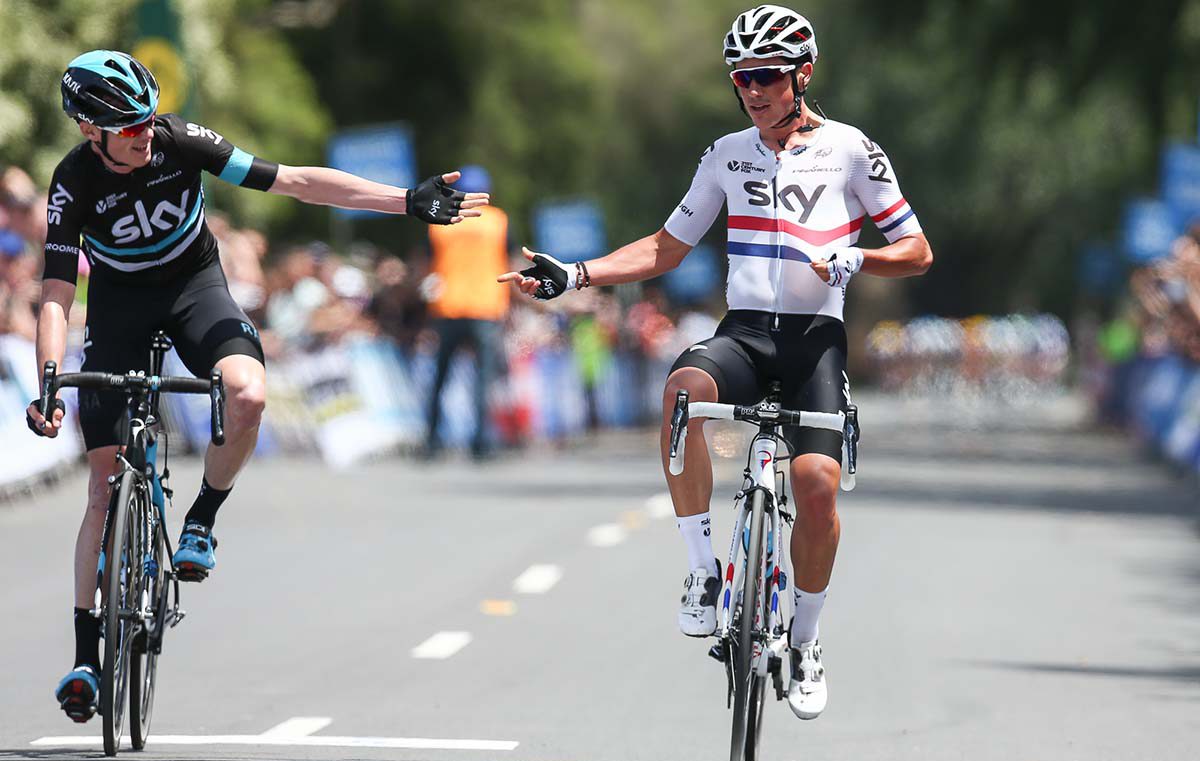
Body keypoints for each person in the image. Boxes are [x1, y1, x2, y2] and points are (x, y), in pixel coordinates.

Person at [26, 50, 488, 723]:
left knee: (247, 393)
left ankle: (201, 520)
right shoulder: (72, 181)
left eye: (149, 119)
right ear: (90, 131)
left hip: (194, 290)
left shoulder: (180, 141)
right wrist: (47, 380)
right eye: (129, 128)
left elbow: (293, 180)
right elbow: (55, 292)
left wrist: (404, 203)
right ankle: (84, 659)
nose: (145, 133)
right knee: (101, 484)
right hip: (119, 310)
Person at [500, 6, 932, 721]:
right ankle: (704, 571)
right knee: (682, 389)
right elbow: (665, 248)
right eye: (741, 78)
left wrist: (856, 257)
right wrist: (575, 275)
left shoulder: (853, 150)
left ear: (803, 75)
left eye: (767, 76)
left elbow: (916, 251)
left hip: (814, 340)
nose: (753, 90)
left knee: (816, 486)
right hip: (745, 333)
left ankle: (806, 640)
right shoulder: (727, 154)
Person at [422, 165, 512, 459]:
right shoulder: (498, 221)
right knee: (482, 379)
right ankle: (481, 443)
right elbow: (508, 261)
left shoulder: (440, 219)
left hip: (447, 306)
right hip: (486, 307)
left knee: (441, 378)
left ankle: (432, 441)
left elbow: (426, 264)